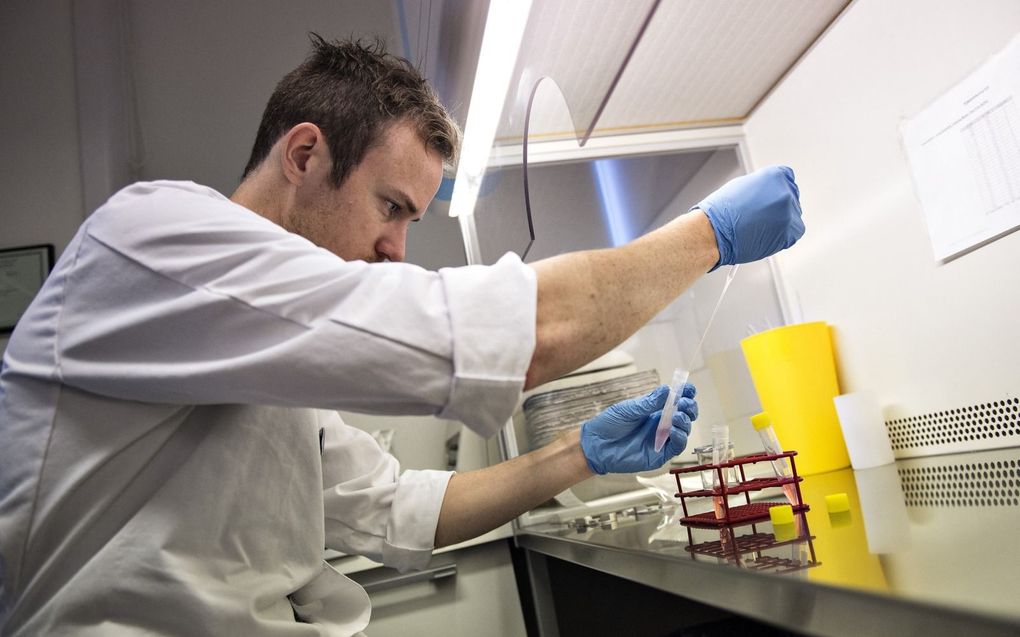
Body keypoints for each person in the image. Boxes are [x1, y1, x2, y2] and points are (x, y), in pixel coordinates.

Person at [0, 36, 803, 636]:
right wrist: (710, 235)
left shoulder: (270, 346)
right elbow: (523, 334)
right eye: (391, 208)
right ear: (306, 153)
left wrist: (578, 456)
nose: (397, 248)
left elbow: (398, 509)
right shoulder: (156, 236)